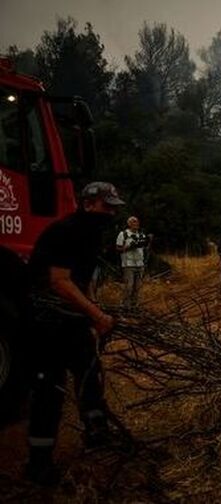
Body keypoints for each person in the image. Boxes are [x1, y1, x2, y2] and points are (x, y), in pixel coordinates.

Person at [25, 182, 125, 485]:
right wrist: (96, 315)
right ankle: (38, 464)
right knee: (49, 390)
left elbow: (82, 280)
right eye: (106, 206)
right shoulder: (67, 231)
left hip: (72, 318)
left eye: (113, 206)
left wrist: (93, 314)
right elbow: (59, 281)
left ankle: (97, 435)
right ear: (88, 203)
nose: (111, 212)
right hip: (47, 321)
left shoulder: (92, 233)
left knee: (89, 372)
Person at [115, 216, 150, 308]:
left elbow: (145, 248)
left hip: (140, 263)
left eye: (137, 221)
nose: (136, 223)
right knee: (128, 287)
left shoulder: (141, 235)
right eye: (134, 222)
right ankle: (125, 306)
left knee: (137, 287)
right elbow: (118, 248)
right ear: (129, 223)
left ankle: (135, 306)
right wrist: (127, 247)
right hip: (128, 264)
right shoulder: (123, 234)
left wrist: (148, 241)